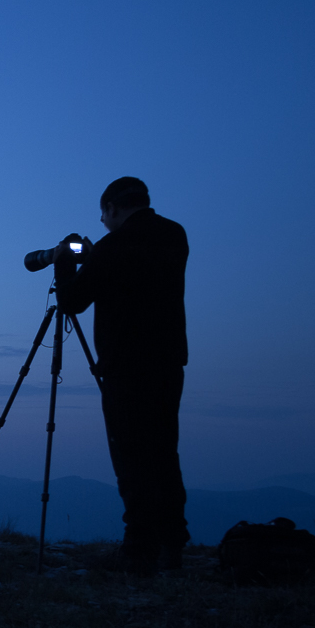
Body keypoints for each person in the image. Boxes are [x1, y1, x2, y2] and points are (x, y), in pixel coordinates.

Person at [54, 176, 190, 574]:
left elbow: (73, 302)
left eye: (103, 214)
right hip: (168, 362)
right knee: (164, 451)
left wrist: (65, 264)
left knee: (131, 455)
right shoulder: (174, 235)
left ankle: (138, 550)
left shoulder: (113, 247)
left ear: (113, 207)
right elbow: (137, 274)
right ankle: (172, 545)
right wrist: (97, 258)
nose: (102, 222)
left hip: (125, 367)